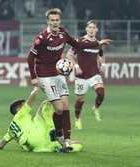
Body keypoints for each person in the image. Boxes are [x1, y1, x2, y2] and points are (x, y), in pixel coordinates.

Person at [27, 8, 111, 147]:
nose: (55, 23)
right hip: (45, 76)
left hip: (59, 74)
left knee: (65, 107)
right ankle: (58, 134)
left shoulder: (63, 33)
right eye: (52, 20)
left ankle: (66, 139)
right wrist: (33, 77)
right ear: (48, 21)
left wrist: (98, 44)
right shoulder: (41, 38)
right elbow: (30, 58)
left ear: (60, 21)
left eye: (57, 20)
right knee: (59, 109)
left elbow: (78, 45)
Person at [0, 87, 82, 153]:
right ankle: (54, 131)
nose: (25, 105)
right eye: (23, 105)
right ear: (19, 108)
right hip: (36, 136)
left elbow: (1, 144)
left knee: (76, 143)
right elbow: (33, 96)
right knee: (45, 105)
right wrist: (38, 86)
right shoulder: (20, 114)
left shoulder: (11, 129)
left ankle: (61, 145)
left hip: (37, 148)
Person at [66, 20, 111, 129]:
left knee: (101, 93)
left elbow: (100, 55)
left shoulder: (98, 43)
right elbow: (69, 54)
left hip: (94, 74)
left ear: (96, 30)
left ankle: (95, 108)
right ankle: (77, 119)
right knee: (80, 100)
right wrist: (76, 65)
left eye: (93, 27)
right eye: (89, 27)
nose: (91, 29)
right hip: (81, 77)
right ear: (86, 29)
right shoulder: (80, 41)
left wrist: (103, 64)